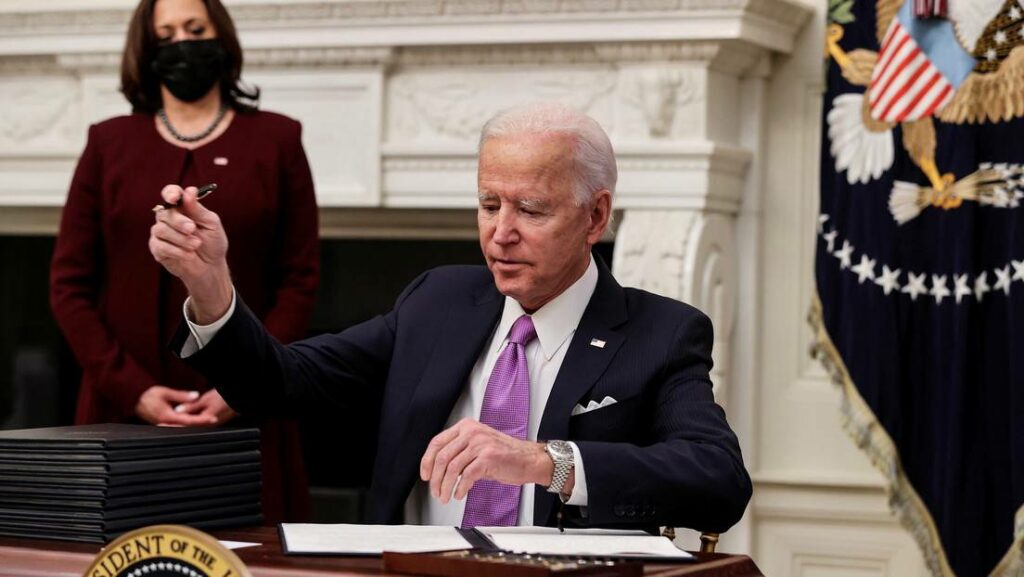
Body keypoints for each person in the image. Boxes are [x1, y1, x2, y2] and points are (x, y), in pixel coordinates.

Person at [150, 102, 751, 532]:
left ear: (595, 217)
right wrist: (210, 286)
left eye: (531, 210)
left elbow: (717, 480)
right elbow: (281, 380)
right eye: (489, 204)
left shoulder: (660, 333)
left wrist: (545, 461)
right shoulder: (439, 302)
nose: (500, 233)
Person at [49, 0, 319, 524]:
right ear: (146, 50)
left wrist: (244, 384)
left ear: (221, 37)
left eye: (195, 29)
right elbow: (69, 285)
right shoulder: (107, 142)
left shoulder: (279, 139)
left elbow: (300, 279)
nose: (182, 45)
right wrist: (133, 389)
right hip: (121, 410)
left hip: (247, 411)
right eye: (166, 34)